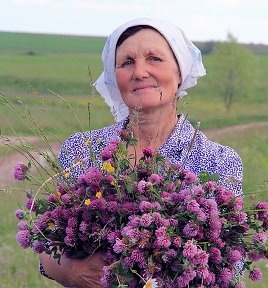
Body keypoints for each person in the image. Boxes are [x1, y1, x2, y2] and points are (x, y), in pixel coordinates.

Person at [39, 17, 243, 287]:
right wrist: (73, 272)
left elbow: (233, 264)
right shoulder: (82, 150)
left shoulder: (220, 161)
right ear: (114, 77)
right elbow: (47, 243)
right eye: (127, 62)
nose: (140, 72)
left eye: (154, 59)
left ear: (180, 71)